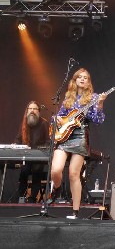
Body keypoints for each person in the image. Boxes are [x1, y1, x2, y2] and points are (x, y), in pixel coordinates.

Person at [49, 68, 107, 219]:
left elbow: (98, 120)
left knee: (74, 174)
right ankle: (57, 188)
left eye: (85, 78)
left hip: (80, 136)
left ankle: (75, 211)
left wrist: (100, 105)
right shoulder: (68, 97)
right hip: (63, 136)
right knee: (56, 170)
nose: (82, 79)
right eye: (79, 77)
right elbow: (58, 117)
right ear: (74, 80)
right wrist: (57, 119)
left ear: (89, 82)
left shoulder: (93, 97)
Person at [13, 101, 50, 203]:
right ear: (27, 111)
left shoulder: (44, 123)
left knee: (37, 170)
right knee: (24, 170)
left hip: (39, 157)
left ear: (39, 111)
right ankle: (21, 197)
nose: (32, 111)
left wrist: (40, 150)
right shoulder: (24, 123)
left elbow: (48, 141)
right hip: (27, 157)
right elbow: (18, 139)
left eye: (35, 109)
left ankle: (32, 198)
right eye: (30, 109)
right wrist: (15, 145)